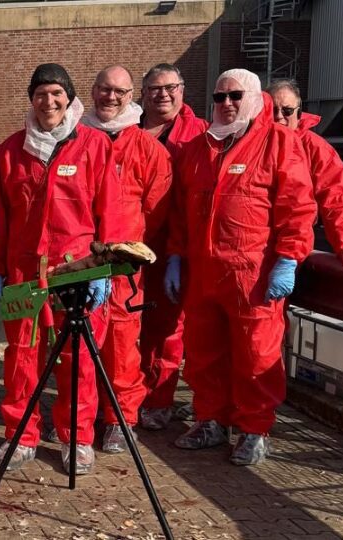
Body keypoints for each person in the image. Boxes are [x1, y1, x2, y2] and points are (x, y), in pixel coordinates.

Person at [166, 69, 316, 465]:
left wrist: (288, 258)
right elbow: (181, 211)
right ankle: (211, 420)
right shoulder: (198, 149)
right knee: (203, 353)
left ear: (251, 98)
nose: (227, 104)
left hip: (254, 274)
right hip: (203, 272)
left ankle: (254, 429)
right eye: (219, 97)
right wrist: (176, 257)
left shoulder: (278, 143)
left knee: (256, 354)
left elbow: (297, 206)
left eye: (235, 96)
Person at [0, 64, 126, 474]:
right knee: (22, 359)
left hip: (77, 271)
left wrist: (104, 269)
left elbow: (111, 214)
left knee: (76, 358)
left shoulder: (94, 146)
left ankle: (77, 437)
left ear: (70, 98)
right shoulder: (12, 150)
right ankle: (20, 435)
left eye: (56, 94)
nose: (49, 102)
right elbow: (1, 217)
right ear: (31, 99)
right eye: (41, 94)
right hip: (25, 274)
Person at [80, 66, 173, 453]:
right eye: (104, 89)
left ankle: (119, 419)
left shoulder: (148, 149)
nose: (111, 97)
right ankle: (76, 419)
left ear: (131, 95)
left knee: (121, 348)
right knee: (77, 347)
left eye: (119, 91)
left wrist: (126, 248)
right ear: (93, 90)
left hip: (123, 269)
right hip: (81, 263)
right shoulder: (75, 139)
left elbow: (156, 210)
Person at [136, 63, 210, 430]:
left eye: (170, 87)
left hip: (173, 247)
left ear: (182, 90)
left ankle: (159, 400)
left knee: (167, 330)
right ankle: (127, 398)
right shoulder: (126, 130)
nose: (162, 94)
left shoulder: (200, 135)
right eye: (154, 88)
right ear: (144, 93)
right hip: (131, 244)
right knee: (128, 328)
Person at [268, 79, 343, 266]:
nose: (279, 116)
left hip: (293, 250)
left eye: (287, 111)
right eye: (272, 111)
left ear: (299, 113)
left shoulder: (316, 149)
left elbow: (336, 199)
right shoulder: (252, 145)